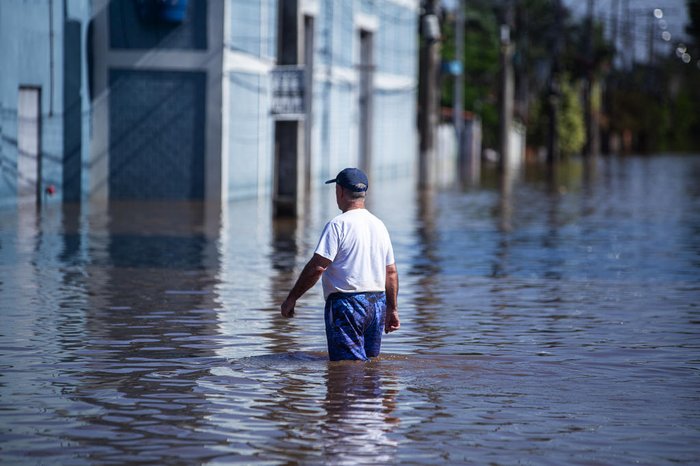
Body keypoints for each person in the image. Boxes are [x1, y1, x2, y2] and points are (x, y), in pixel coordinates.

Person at [280, 167, 400, 361]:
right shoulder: (379, 225)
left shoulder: (338, 225)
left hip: (347, 305)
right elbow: (391, 272)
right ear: (364, 194)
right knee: (370, 368)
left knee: (347, 370)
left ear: (340, 191)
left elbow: (318, 266)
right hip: (377, 304)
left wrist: (292, 298)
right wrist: (392, 309)